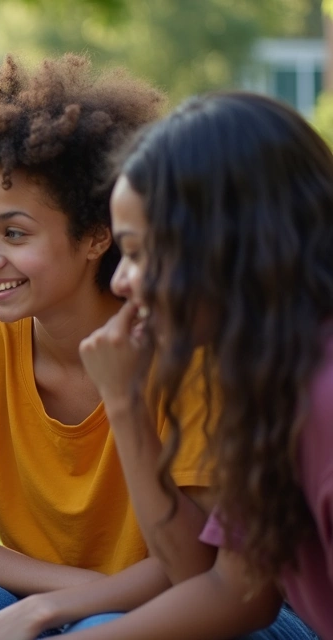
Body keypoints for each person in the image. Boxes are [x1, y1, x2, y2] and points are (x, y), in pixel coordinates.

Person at [0, 54, 222, 637]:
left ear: (99, 234)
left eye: (14, 233)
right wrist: (61, 602)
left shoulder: (187, 356)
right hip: (53, 599)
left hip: (186, 609)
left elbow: (197, 570)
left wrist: (60, 610)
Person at [56, 92, 331, 639]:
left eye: (135, 252)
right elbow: (237, 587)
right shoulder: (268, 379)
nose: (119, 281)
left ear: (222, 243)